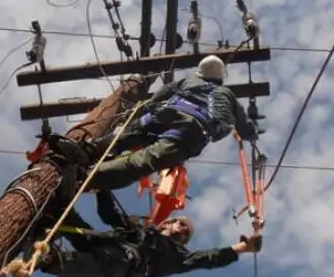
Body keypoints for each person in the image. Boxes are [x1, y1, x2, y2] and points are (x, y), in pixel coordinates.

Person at [75, 55, 263, 191]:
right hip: (193, 129)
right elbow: (243, 124)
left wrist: (143, 113)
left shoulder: (188, 81)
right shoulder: (227, 94)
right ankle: (84, 177)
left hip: (165, 113)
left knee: (122, 139)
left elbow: (161, 94)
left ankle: (85, 150)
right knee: (143, 162)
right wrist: (252, 133)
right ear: (220, 79)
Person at [25, 191, 262, 277]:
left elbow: (209, 259)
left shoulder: (177, 256)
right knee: (79, 226)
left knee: (100, 260)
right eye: (178, 223)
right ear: (166, 223)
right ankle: (53, 212)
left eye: (184, 231)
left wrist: (243, 247)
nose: (179, 228)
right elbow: (111, 215)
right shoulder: (140, 232)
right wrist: (102, 188)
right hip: (109, 245)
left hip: (125, 264)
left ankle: (46, 257)